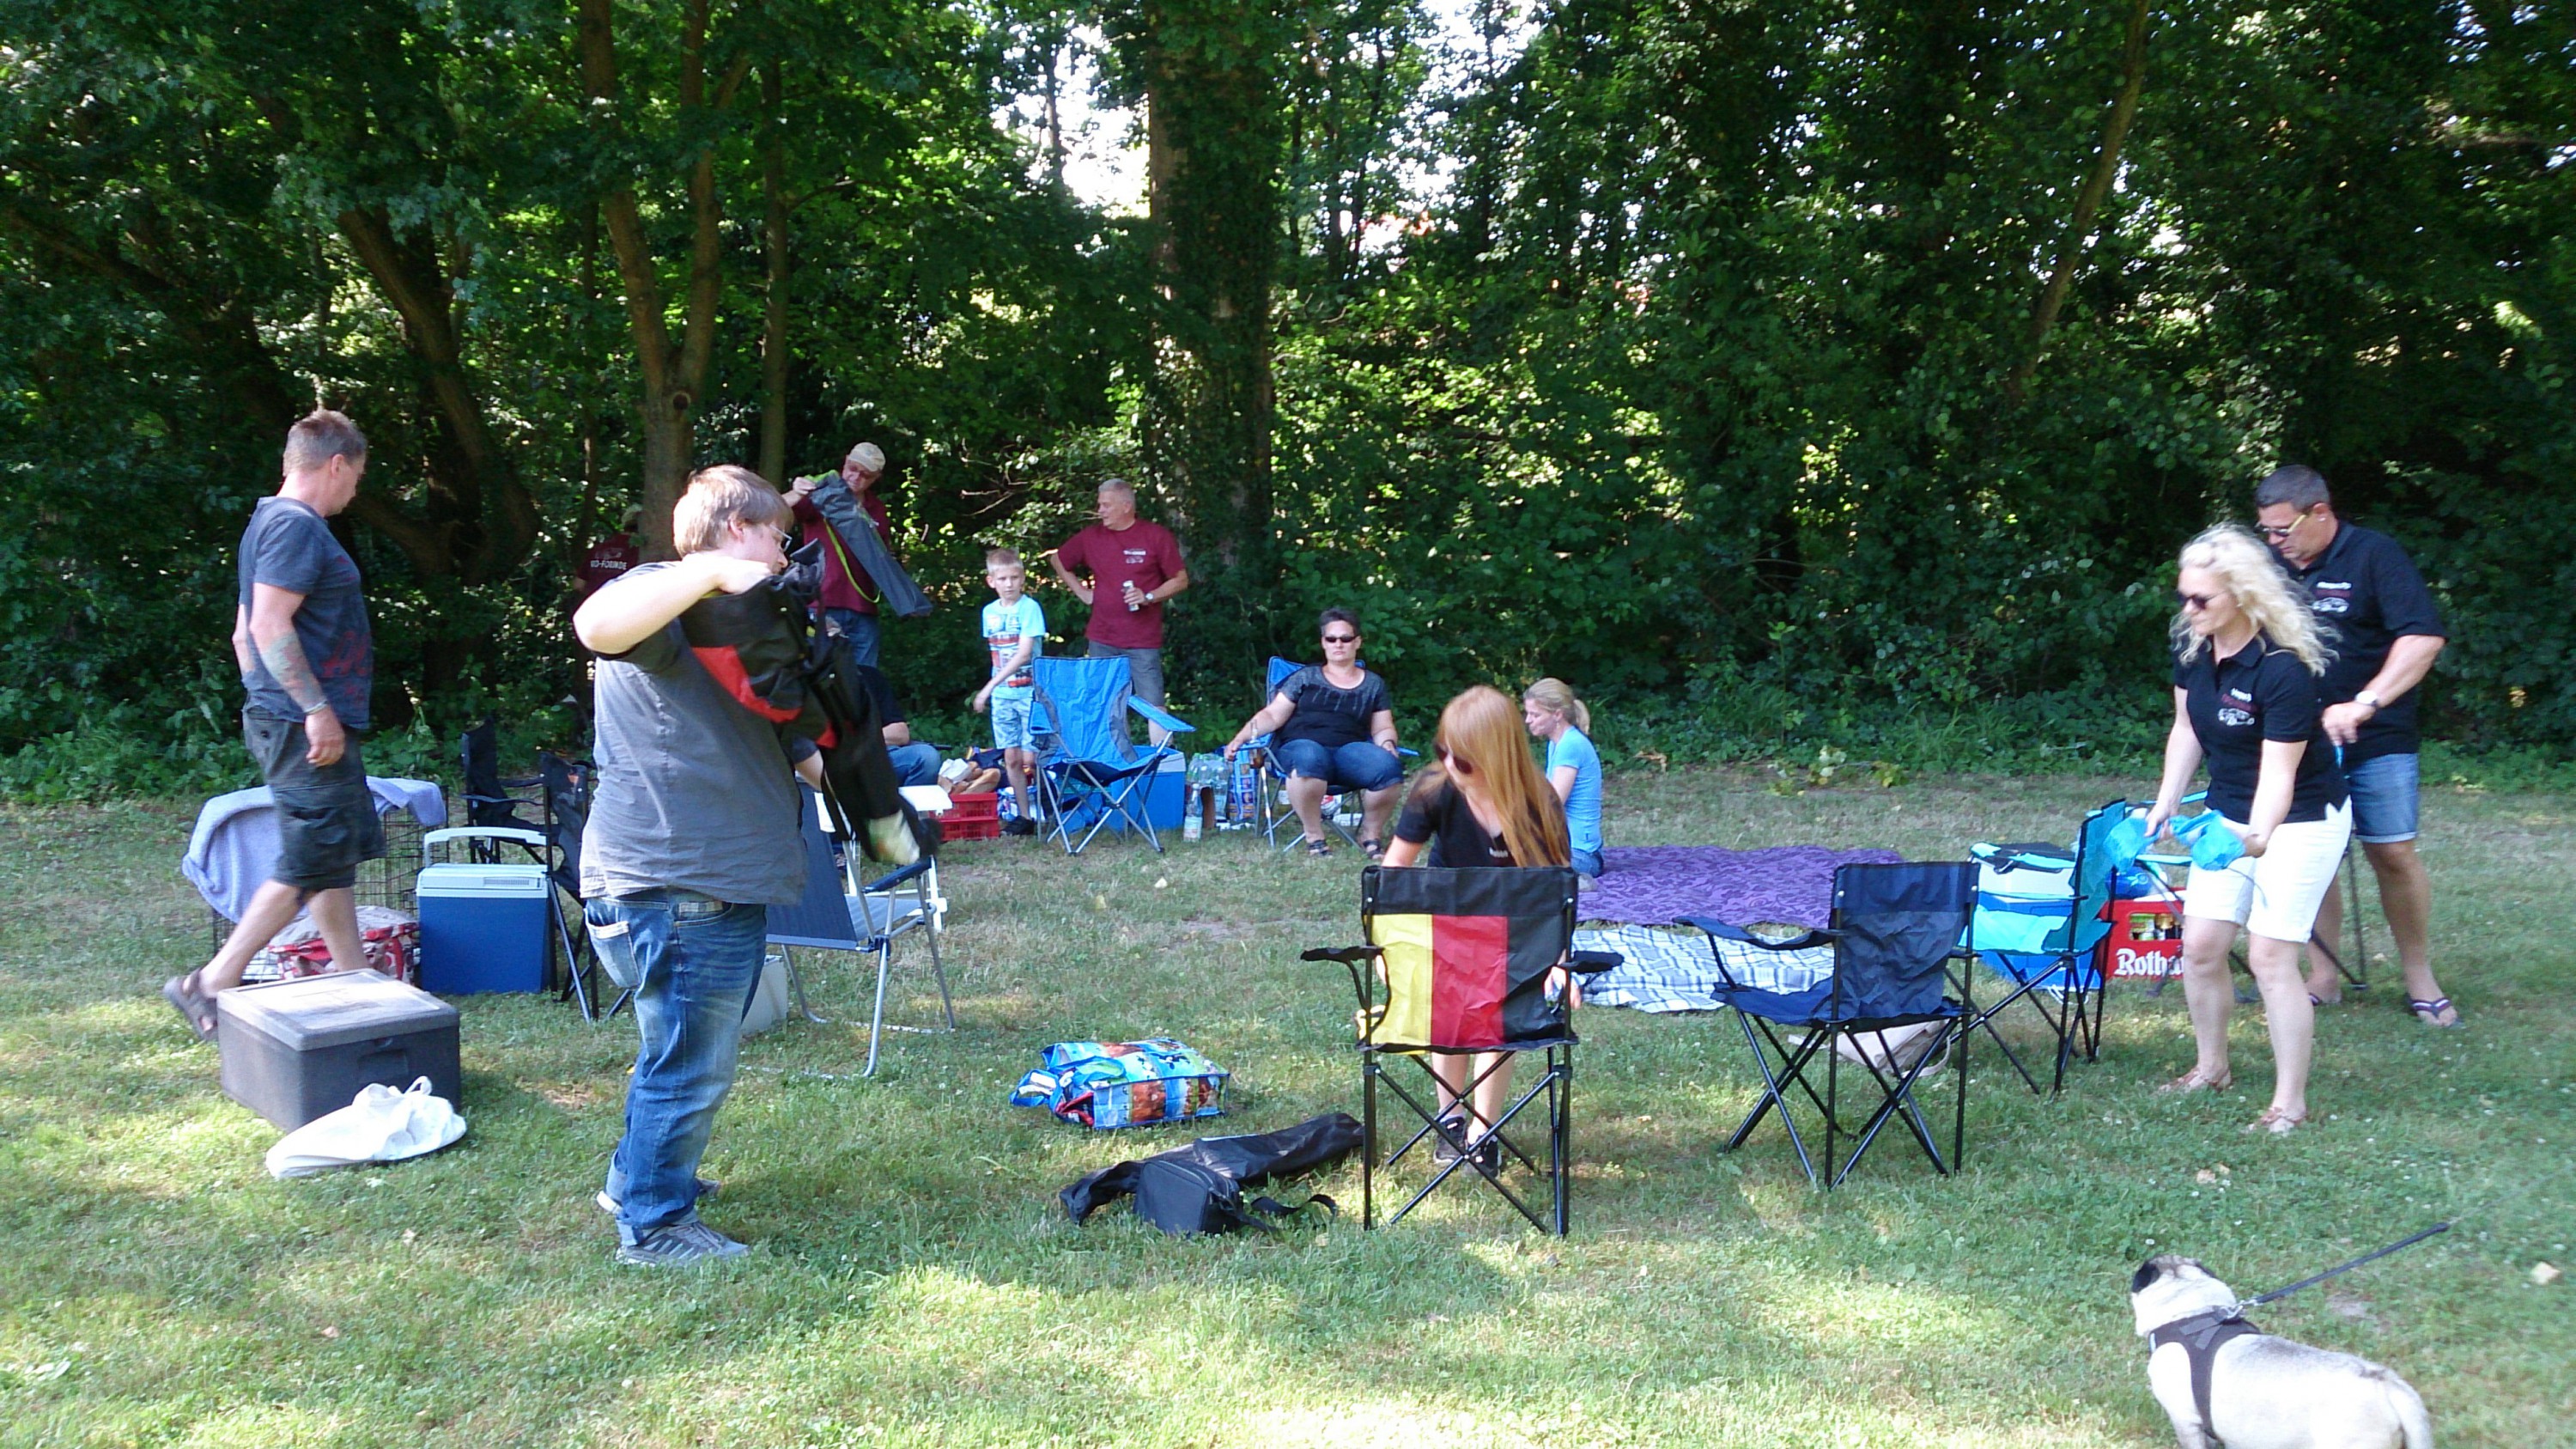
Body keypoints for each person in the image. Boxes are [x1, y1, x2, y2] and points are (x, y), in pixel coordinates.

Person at [574, 465, 817, 1267]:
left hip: (708, 880)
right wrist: (709, 571)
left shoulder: (735, 633)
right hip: (676, 881)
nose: (784, 556)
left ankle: (637, 1175)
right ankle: (652, 1223)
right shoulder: (666, 594)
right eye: (778, 537)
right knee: (690, 1063)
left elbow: (791, 745)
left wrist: (884, 797)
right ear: (737, 529)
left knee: (674, 1048)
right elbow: (595, 625)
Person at [162, 410, 386, 1040]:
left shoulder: (267, 522)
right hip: (304, 720)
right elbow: (266, 626)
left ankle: (355, 979)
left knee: (330, 847)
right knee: (314, 847)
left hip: (287, 715)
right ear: (336, 463)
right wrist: (310, 708)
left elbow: (242, 632)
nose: (355, 490)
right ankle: (211, 979)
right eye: (357, 476)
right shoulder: (295, 528)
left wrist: (269, 699)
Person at [2143, 525, 2352, 1136]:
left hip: (2302, 816)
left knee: (2269, 955)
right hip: (2231, 807)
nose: (2189, 609)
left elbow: (2280, 772)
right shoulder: (2194, 648)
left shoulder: (2284, 671)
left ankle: (2290, 1102)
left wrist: (2257, 835)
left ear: (2243, 594)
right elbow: (2187, 730)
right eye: (2184, 595)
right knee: (2201, 946)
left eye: (2201, 598)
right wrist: (2165, 804)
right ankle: (2212, 1067)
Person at [2254, 465, 2457, 1027]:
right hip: (2294, 740)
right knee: (2308, 849)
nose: (2274, 543)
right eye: (2266, 531)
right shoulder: (2271, 564)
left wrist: (2365, 702)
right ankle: (2323, 975)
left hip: (2376, 735)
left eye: (2282, 530)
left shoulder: (2374, 555)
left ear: (2320, 511)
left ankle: (2419, 975)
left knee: (2391, 851)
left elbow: (2422, 637)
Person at [1385, 685, 1574, 1165]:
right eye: (1442, 751)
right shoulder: (1432, 790)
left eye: (1462, 759)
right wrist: (1383, 949)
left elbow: (1559, 895)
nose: (1449, 765)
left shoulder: (1540, 803)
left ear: (1496, 756)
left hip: (1515, 934)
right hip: (1443, 927)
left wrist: (1561, 963)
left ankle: (1484, 1128)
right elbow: (1392, 877)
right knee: (1447, 1007)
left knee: (1501, 1010)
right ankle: (1448, 1117)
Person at [1218, 609, 1402, 857]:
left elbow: (1381, 727)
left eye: (1346, 639)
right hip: (1301, 746)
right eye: (1331, 639)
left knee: (1388, 768)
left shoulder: (1373, 684)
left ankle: (1370, 834)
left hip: (1349, 752)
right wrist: (1241, 737)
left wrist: (1388, 743)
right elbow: (1272, 715)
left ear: (1357, 642)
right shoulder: (1305, 678)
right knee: (1309, 757)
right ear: (1323, 643)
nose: (1339, 644)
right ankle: (1314, 835)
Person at [1049, 478, 1188, 742]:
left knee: (1153, 706)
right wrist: (1081, 592)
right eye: (1100, 505)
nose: (1100, 511)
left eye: (1106, 505)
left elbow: (1180, 579)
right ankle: (1115, 767)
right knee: (1106, 705)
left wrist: (1148, 596)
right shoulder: (1091, 537)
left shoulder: (1155, 536)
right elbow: (1058, 559)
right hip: (1102, 637)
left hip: (1142, 639)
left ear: (1126, 506)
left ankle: (1163, 767)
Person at [784, 442, 894, 667]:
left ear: (876, 478)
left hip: (863, 608)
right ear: (845, 462)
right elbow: (771, 513)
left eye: (866, 475)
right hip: (822, 603)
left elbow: (883, 561)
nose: (856, 477)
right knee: (822, 676)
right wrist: (796, 492)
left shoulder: (877, 509)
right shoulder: (822, 492)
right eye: (853, 468)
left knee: (866, 681)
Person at [971, 548, 1047, 836]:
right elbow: (997, 653)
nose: (1009, 584)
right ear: (991, 581)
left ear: (1023, 578)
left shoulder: (1029, 608)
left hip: (1029, 693)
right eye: (1002, 578)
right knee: (1012, 759)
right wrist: (995, 688)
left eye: (1015, 577)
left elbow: (1024, 653)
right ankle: (1024, 816)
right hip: (1004, 697)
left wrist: (987, 688)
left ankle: (1048, 805)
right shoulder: (989, 613)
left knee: (1032, 759)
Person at [1522, 678, 1605, 880]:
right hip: (1567, 848)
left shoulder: (1571, 745)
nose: (1528, 720)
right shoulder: (1557, 744)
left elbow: (1552, 803)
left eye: (1535, 714)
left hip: (1581, 855)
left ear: (1557, 714)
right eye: (1528, 714)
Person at [855, 664, 943, 788]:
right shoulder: (820, 686)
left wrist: (855, 741)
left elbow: (900, 733)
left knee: (927, 757)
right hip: (832, 764)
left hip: (878, 756)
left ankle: (907, 807)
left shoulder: (869, 676)